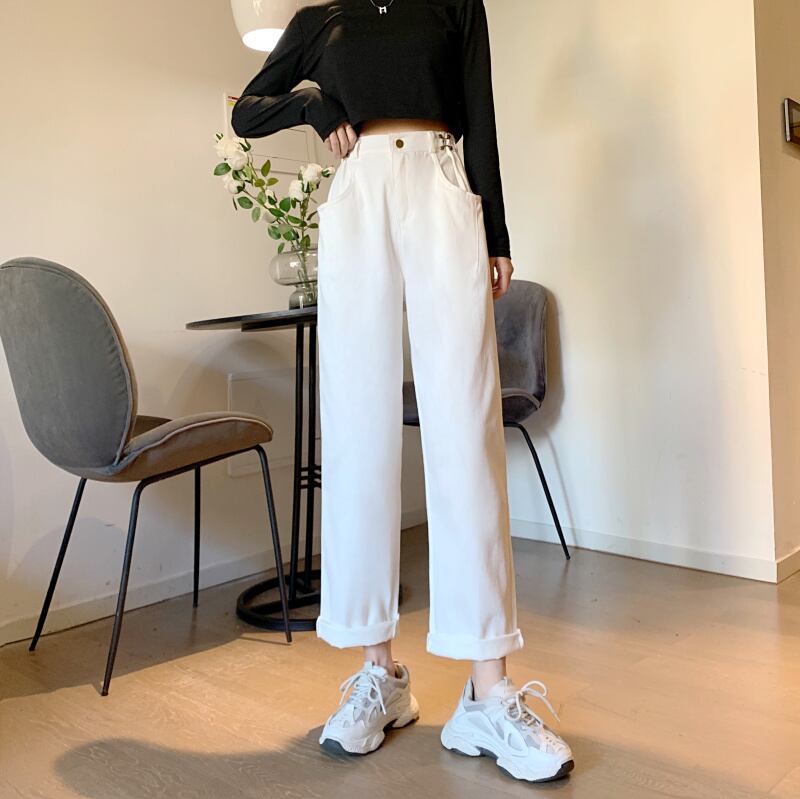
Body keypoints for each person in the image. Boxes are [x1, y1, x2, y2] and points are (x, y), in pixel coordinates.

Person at [231, 0, 574, 783]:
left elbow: (480, 112)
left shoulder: (453, 4)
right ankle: (378, 673)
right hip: (358, 198)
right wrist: (313, 105)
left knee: (466, 428)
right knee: (358, 431)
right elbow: (248, 112)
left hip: (444, 187)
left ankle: (488, 691)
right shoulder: (322, 18)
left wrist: (497, 234)